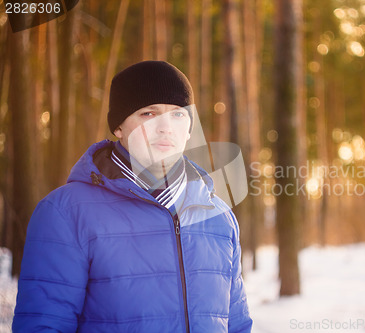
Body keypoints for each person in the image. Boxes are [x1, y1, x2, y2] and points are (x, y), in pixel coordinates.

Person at [12, 61, 253, 333]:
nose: (165, 127)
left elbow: (237, 325)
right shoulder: (65, 213)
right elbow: (42, 325)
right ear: (118, 127)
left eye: (178, 114)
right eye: (148, 113)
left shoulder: (218, 215)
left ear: (189, 128)